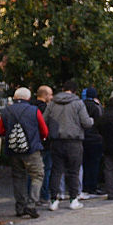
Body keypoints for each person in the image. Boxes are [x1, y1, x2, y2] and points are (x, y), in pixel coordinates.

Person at [0, 87, 48, 218]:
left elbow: (1, 131)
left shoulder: (6, 111)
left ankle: (20, 207)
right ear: (28, 98)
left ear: (15, 98)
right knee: (38, 175)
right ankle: (32, 204)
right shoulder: (34, 110)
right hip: (32, 149)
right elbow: (44, 130)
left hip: (13, 149)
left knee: (18, 177)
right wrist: (40, 138)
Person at [44, 79, 94, 210]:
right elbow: (86, 123)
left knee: (56, 171)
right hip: (74, 141)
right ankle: (73, 199)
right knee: (73, 171)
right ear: (75, 90)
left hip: (56, 141)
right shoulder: (78, 103)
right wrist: (92, 120)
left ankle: (54, 200)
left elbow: (44, 120)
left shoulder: (52, 103)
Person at [81, 87, 104, 195]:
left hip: (83, 138)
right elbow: (100, 121)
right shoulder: (96, 107)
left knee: (84, 163)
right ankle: (93, 186)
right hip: (95, 139)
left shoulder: (81, 105)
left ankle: (84, 185)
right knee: (94, 164)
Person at [34, 85, 54, 204]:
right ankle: (44, 195)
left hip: (34, 143)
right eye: (50, 94)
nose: (51, 97)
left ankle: (33, 196)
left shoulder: (30, 107)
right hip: (45, 143)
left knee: (33, 172)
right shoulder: (46, 109)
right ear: (45, 95)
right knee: (46, 170)